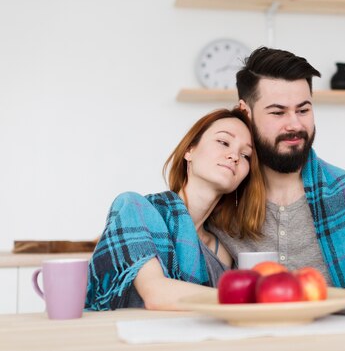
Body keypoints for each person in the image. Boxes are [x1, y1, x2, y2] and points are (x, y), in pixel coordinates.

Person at [209, 47, 345, 299]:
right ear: (245, 112)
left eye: (303, 110)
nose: (295, 124)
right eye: (278, 112)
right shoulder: (220, 200)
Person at [85, 108, 265, 311]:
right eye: (223, 142)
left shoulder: (222, 250)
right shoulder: (132, 208)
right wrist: (248, 298)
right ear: (190, 151)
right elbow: (156, 294)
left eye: (246, 155)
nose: (234, 156)